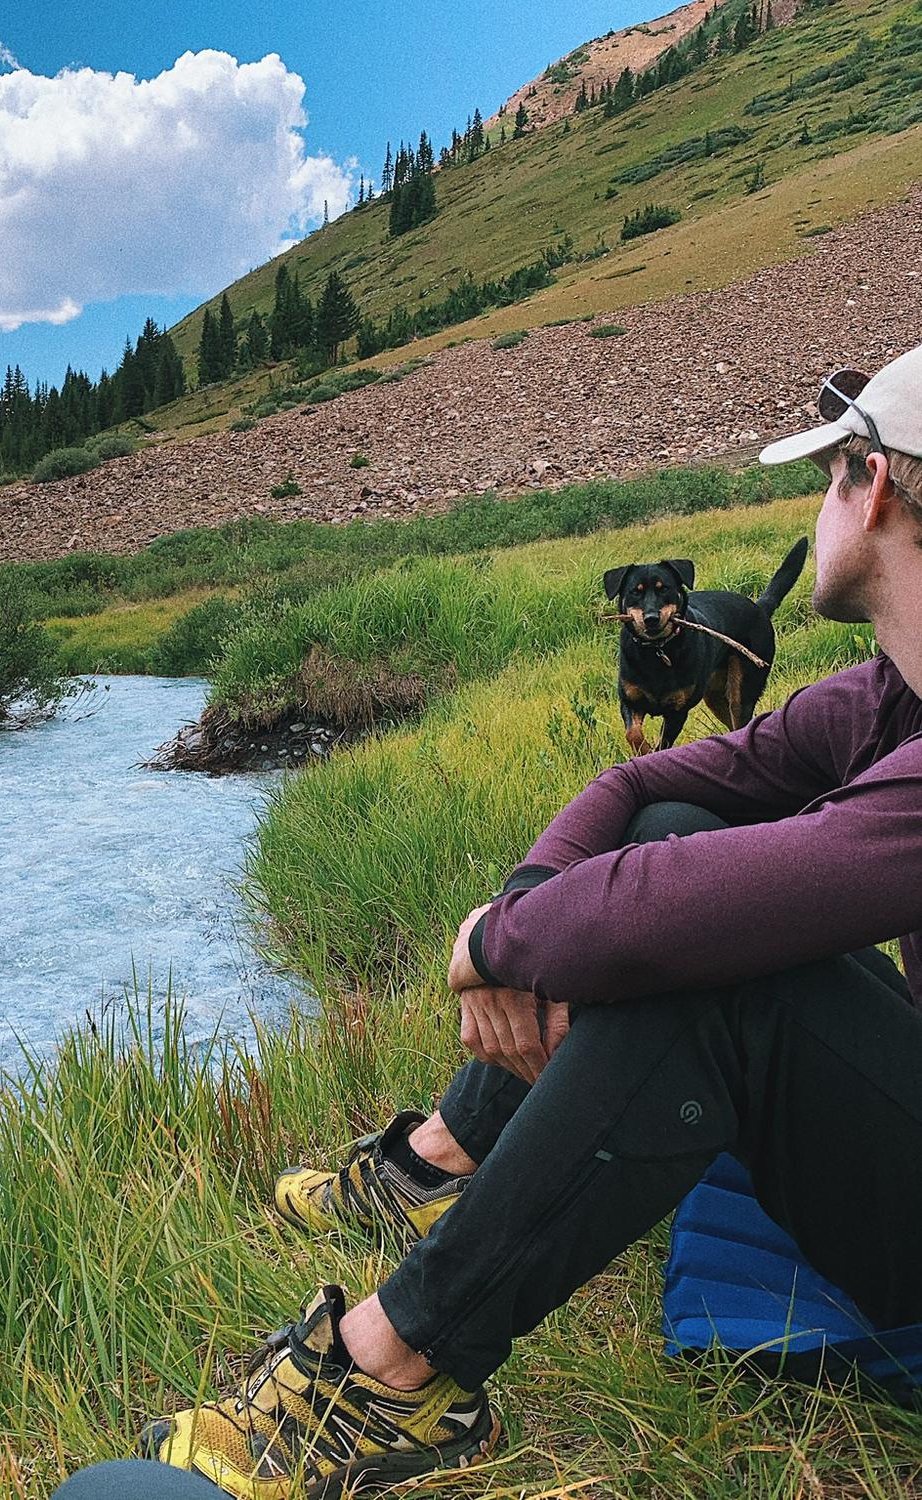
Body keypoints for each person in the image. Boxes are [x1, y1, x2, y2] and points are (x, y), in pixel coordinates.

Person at [140, 346, 922, 1499]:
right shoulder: (889, 692)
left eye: (827, 475)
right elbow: (647, 791)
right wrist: (524, 907)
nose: (814, 503)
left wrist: (491, 948)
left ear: (876, 487)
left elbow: (686, 916)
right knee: (665, 822)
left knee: (712, 965)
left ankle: (395, 1370)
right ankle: (446, 1158)